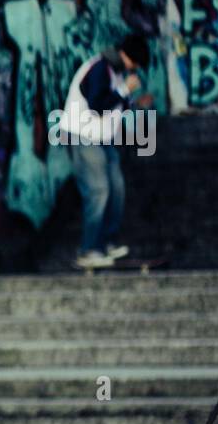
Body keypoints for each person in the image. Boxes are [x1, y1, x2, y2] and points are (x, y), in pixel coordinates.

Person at [64, 33, 154, 269]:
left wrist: (135, 103)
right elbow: (96, 105)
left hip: (103, 139)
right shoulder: (99, 68)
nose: (135, 69)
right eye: (136, 64)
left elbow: (112, 103)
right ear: (129, 57)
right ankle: (88, 249)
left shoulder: (114, 72)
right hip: (84, 136)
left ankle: (106, 243)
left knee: (117, 188)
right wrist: (125, 90)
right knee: (98, 190)